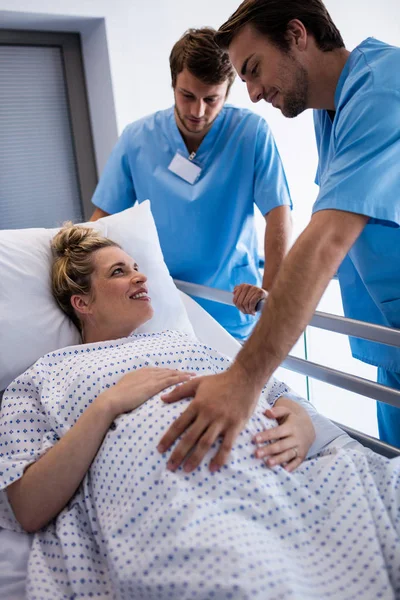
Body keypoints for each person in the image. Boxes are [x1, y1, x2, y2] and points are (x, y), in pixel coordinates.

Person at [3, 225, 389, 598]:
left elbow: (268, 387)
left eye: (137, 267)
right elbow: (29, 508)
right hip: (178, 507)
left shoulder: (184, 341)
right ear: (82, 302)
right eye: (120, 272)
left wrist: (301, 421)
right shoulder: (43, 375)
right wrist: (107, 405)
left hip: (280, 479)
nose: (140, 277)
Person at [156, 0, 400, 472]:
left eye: (252, 70)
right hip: (390, 347)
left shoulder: (383, 92)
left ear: (296, 34)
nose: (250, 93)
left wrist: (243, 381)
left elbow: (326, 238)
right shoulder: (330, 112)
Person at [89, 27, 292, 340]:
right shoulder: (137, 138)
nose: (198, 111)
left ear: (228, 91)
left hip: (233, 306)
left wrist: (270, 292)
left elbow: (279, 215)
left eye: (211, 99)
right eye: (187, 96)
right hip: (163, 305)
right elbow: (102, 221)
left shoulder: (251, 133)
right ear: (173, 84)